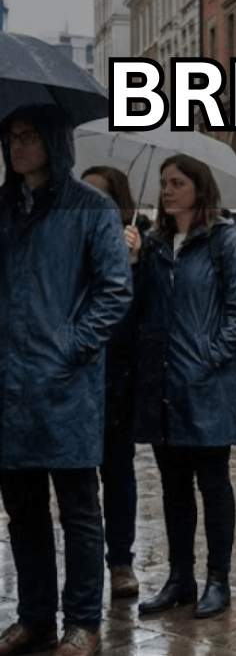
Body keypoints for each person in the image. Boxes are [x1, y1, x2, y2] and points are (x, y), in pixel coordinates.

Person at [0, 107, 132, 656]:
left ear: (54, 140)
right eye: (11, 138)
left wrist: (70, 346)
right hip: (10, 388)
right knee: (23, 512)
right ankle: (35, 617)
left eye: (29, 136)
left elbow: (114, 291)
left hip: (66, 387)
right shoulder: (4, 209)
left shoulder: (91, 208)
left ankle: (83, 622)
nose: (18, 147)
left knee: (78, 509)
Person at [132, 154, 236, 620]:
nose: (167, 191)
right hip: (163, 387)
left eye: (177, 183)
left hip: (206, 386)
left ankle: (217, 580)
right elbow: (138, 307)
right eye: (164, 183)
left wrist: (207, 358)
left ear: (198, 188)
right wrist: (130, 263)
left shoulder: (224, 241)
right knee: (173, 487)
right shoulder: (154, 244)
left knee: (212, 483)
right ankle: (179, 578)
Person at [78, 166, 145, 602]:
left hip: (119, 376)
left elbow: (142, 315)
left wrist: (134, 265)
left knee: (118, 473)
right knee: (78, 482)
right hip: (77, 375)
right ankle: (81, 568)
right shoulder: (67, 239)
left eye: (101, 195)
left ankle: (120, 559)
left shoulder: (137, 245)